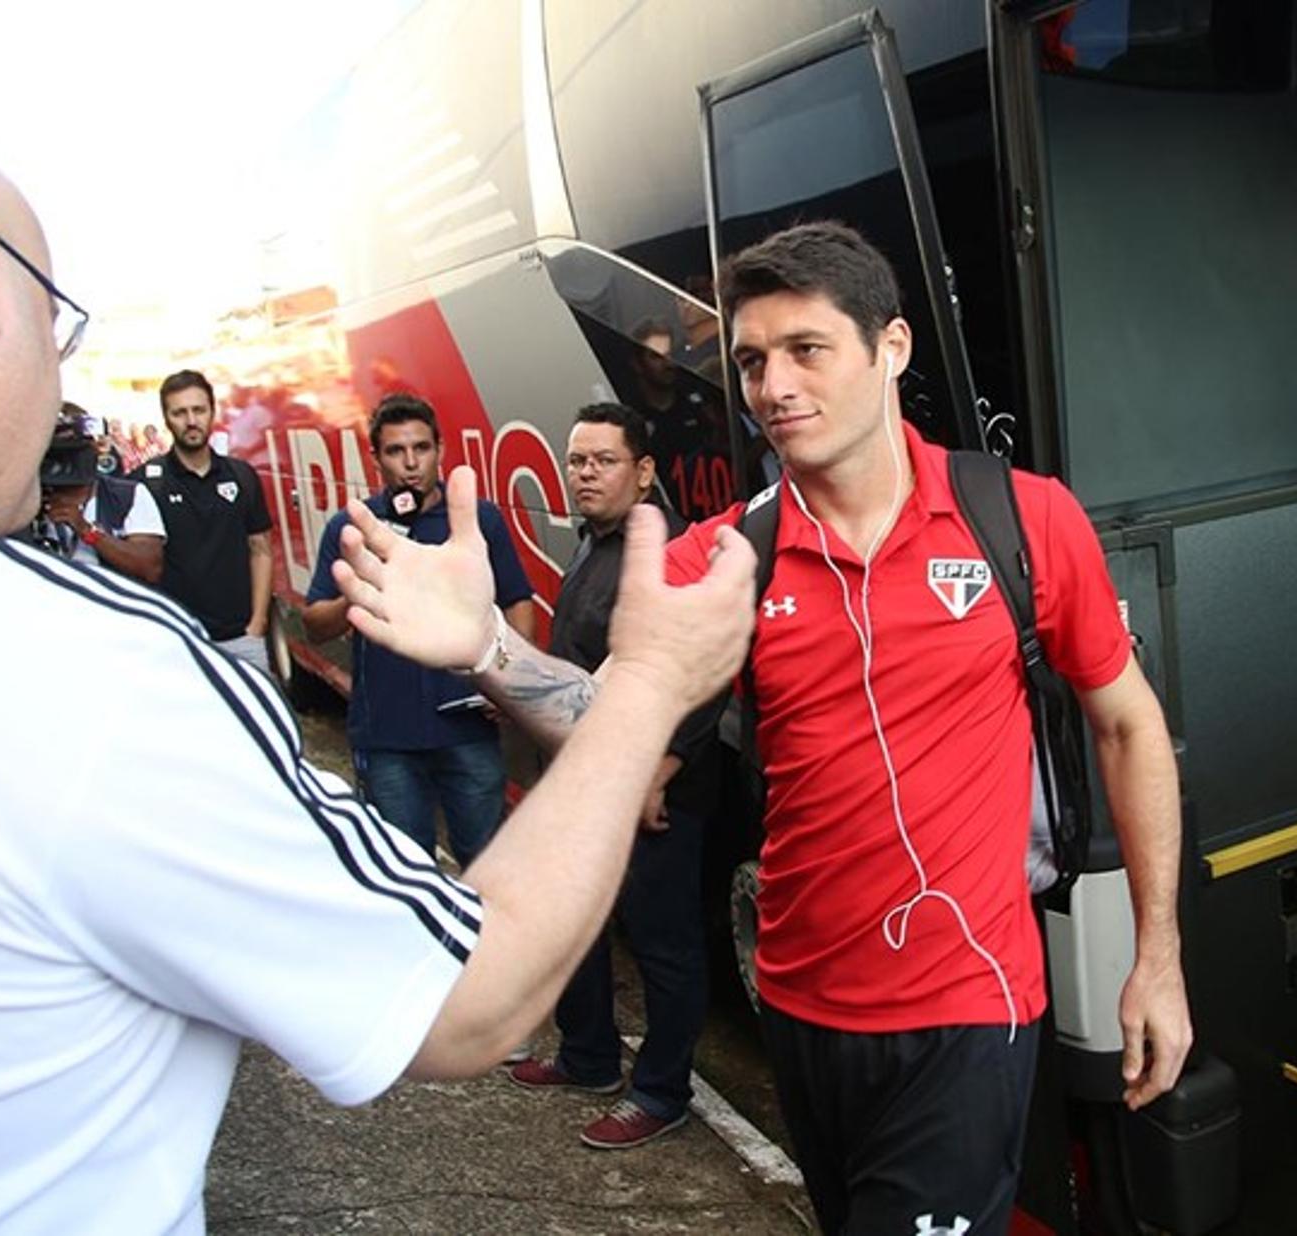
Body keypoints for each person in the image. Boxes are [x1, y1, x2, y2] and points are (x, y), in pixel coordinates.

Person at [0, 104, 755, 1235]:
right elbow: (464, 998)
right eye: (59, 325)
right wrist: (652, 685)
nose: (57, 386)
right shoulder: (84, 666)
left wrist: (488, 651)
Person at [335, 221, 1193, 1232]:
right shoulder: (731, 554)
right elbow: (600, 716)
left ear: (893, 349)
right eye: (750, 361)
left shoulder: (1025, 521)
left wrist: (1159, 956)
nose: (774, 386)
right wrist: (486, 644)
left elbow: (1131, 726)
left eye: (807, 350)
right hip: (799, 1006)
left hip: (969, 1008)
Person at [509, 403, 719, 1150]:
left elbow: (708, 671)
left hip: (647, 792)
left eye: (602, 460)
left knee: (664, 946)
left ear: (645, 470)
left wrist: (664, 768)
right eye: (576, 460)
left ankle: (662, 1093)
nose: (584, 473)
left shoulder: (666, 553)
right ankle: (589, 1056)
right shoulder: (596, 544)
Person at [301, 394, 537, 869]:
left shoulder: (477, 520)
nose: (411, 463)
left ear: (440, 449)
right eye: (395, 451)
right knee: (404, 869)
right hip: (387, 738)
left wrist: (510, 683)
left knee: (488, 866)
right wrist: (365, 582)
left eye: (421, 448)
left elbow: (517, 601)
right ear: (376, 458)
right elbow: (314, 625)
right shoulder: (353, 527)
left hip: (467, 731)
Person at [139, 369, 273, 670]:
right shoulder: (145, 485)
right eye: (180, 412)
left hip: (242, 640)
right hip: (178, 643)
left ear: (212, 412)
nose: (191, 421)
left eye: (198, 410)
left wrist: (257, 624)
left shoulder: (242, 476)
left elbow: (261, 549)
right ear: (166, 418)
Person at [35, 409, 166, 585]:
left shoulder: (129, 494)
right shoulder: (30, 498)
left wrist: (87, 531)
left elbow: (150, 568)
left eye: (74, 452)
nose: (67, 462)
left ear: (94, 449)